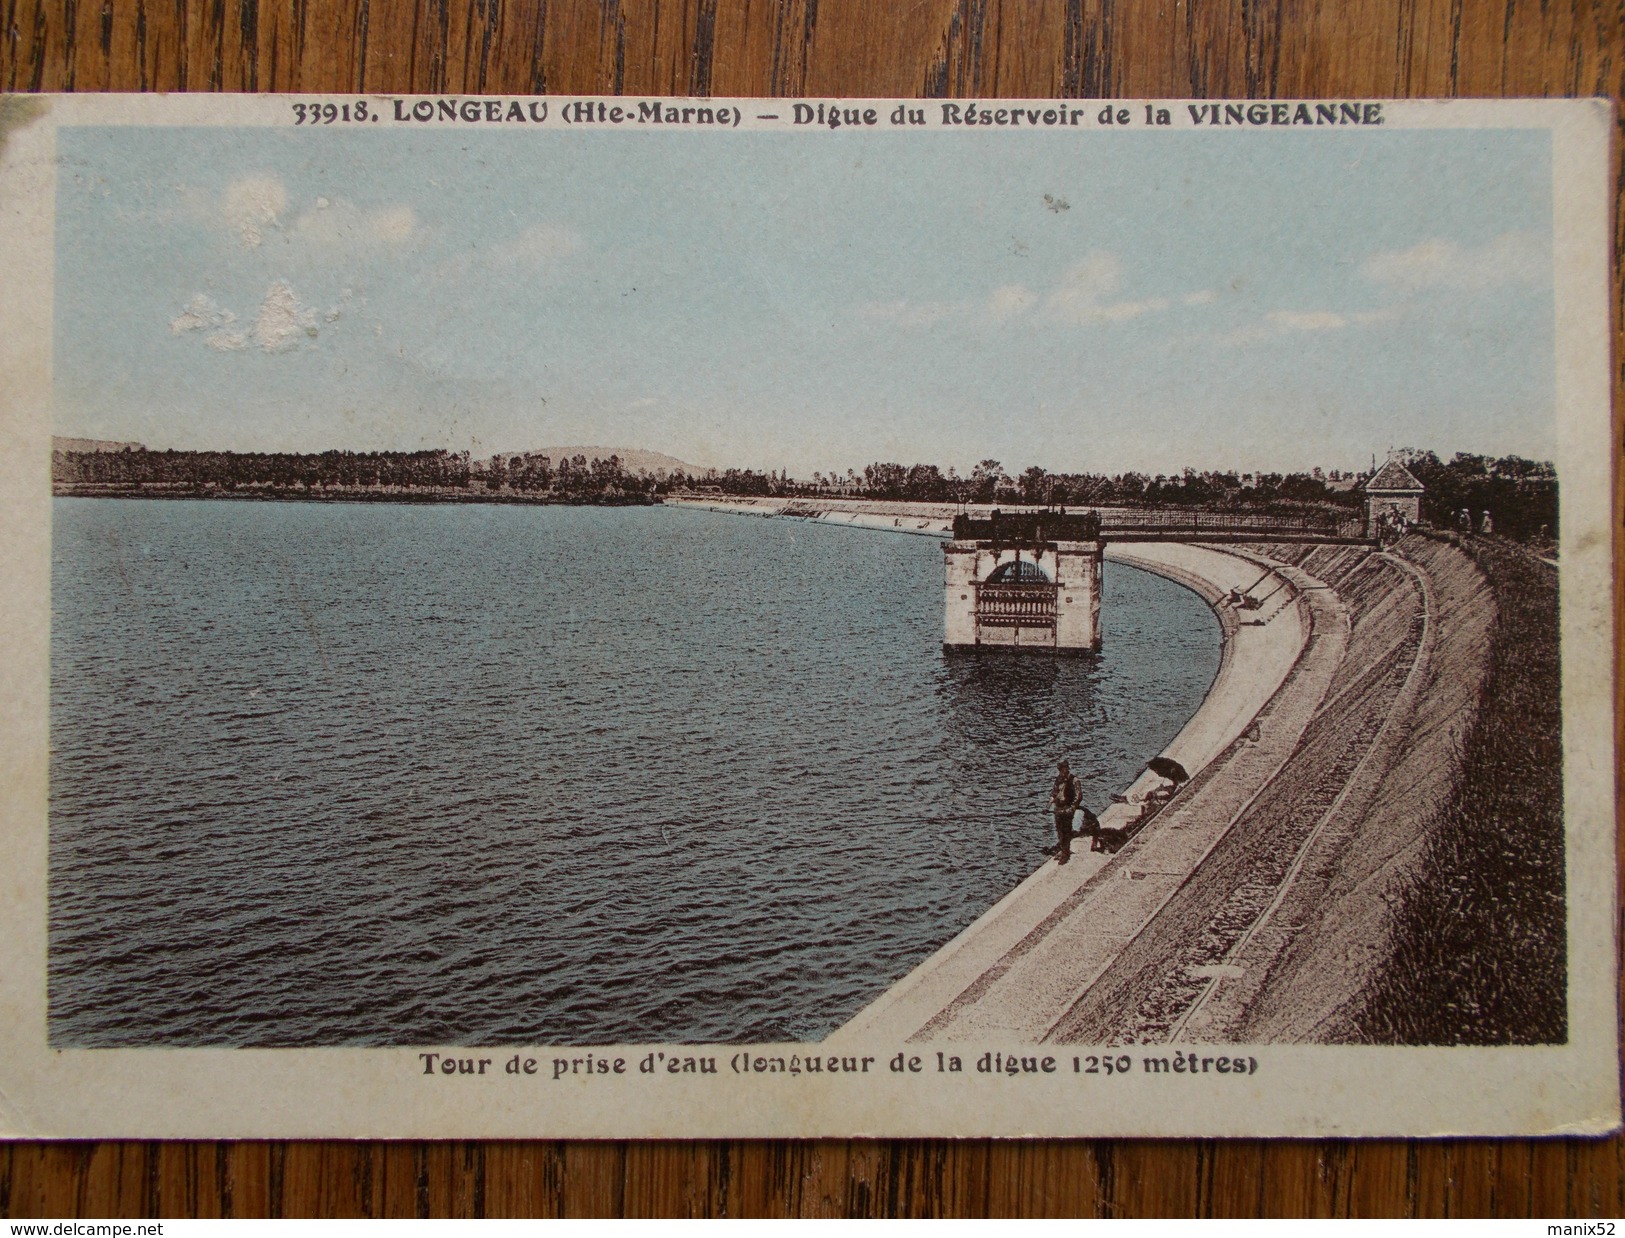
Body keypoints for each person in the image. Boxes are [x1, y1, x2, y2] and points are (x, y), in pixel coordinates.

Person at [1050, 760, 1082, 864]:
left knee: (1066, 830)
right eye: (1061, 770)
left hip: (1068, 808)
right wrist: (1050, 802)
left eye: (1064, 769)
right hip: (1058, 808)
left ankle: (1065, 854)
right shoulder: (1058, 779)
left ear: (1067, 768)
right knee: (1059, 830)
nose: (1062, 771)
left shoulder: (1074, 780)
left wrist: (1072, 807)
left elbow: (1078, 796)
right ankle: (1063, 849)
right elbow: (1054, 792)